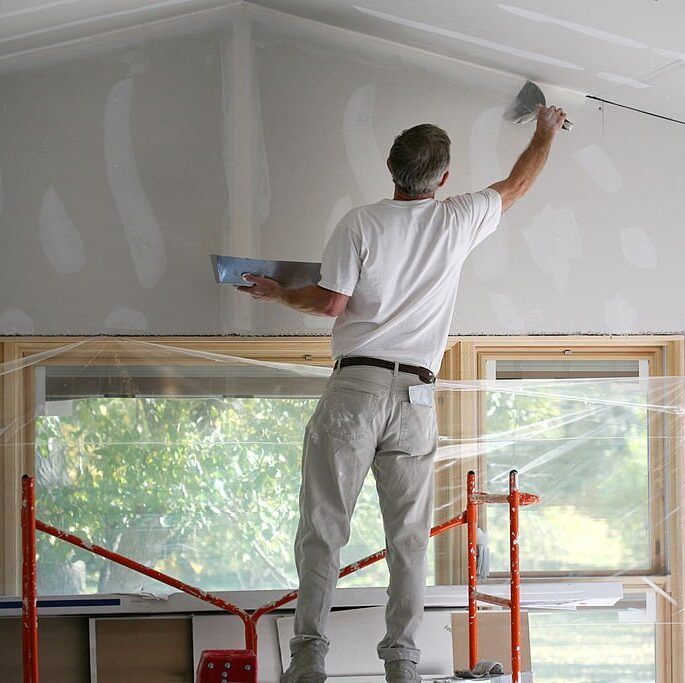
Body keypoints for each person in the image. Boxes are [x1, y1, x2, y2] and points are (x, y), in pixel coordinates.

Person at [237, 104, 567, 683]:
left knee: (323, 528)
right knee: (408, 540)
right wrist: (544, 130)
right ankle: (403, 666)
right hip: (416, 396)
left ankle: (309, 660)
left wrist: (277, 292)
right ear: (442, 179)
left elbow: (330, 303)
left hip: (356, 390)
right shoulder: (459, 218)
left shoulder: (360, 223)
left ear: (390, 167)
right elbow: (518, 183)